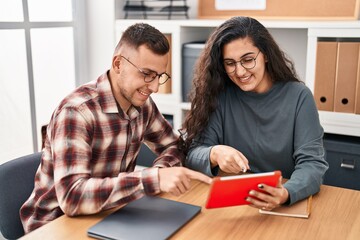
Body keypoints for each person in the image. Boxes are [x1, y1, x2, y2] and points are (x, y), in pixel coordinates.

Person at [20, 23, 211, 233]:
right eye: (147, 74)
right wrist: (151, 180)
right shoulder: (77, 112)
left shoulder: (142, 104)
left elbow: (174, 146)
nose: (155, 87)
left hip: (111, 214)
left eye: (159, 76)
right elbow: (72, 197)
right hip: (55, 226)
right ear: (118, 64)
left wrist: (160, 172)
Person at [179, 16, 328, 210]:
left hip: (281, 202)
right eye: (230, 63)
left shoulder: (299, 96)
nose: (240, 72)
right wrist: (214, 153)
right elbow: (192, 154)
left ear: (265, 54)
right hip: (233, 205)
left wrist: (286, 192)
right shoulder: (221, 96)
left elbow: (312, 164)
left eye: (248, 60)